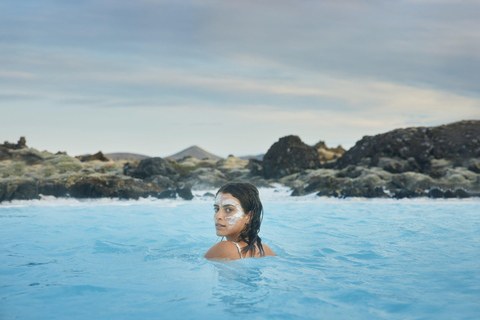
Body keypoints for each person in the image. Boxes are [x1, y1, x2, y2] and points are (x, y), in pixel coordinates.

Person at [204, 182, 276, 260]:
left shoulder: (222, 248)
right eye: (216, 209)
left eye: (228, 209)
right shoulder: (266, 251)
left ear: (249, 216)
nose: (218, 216)